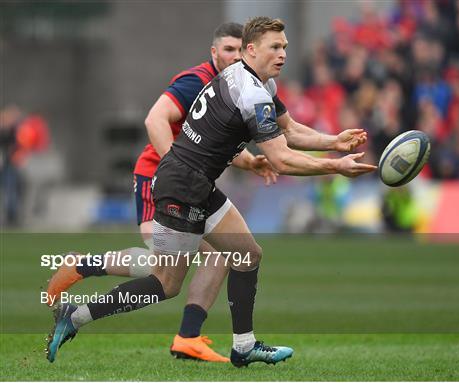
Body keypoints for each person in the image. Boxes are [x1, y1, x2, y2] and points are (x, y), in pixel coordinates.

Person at [46, 16, 377, 367]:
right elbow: (280, 158)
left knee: (247, 254)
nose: (282, 54)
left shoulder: (254, 81)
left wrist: (333, 142)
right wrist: (335, 166)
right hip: (183, 187)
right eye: (274, 47)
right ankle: (76, 314)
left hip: (196, 183)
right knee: (165, 282)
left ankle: (243, 346)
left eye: (284, 47)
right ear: (251, 50)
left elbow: (290, 129)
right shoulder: (250, 92)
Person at [45, 22, 277, 363]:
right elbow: (155, 120)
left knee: (218, 255)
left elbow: (212, 142)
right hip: (161, 179)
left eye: (239, 49)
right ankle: (83, 266)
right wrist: (179, 170)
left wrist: (249, 162)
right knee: (162, 268)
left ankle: (188, 336)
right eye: (227, 49)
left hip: (187, 184)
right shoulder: (195, 81)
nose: (234, 55)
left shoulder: (238, 85)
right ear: (214, 52)